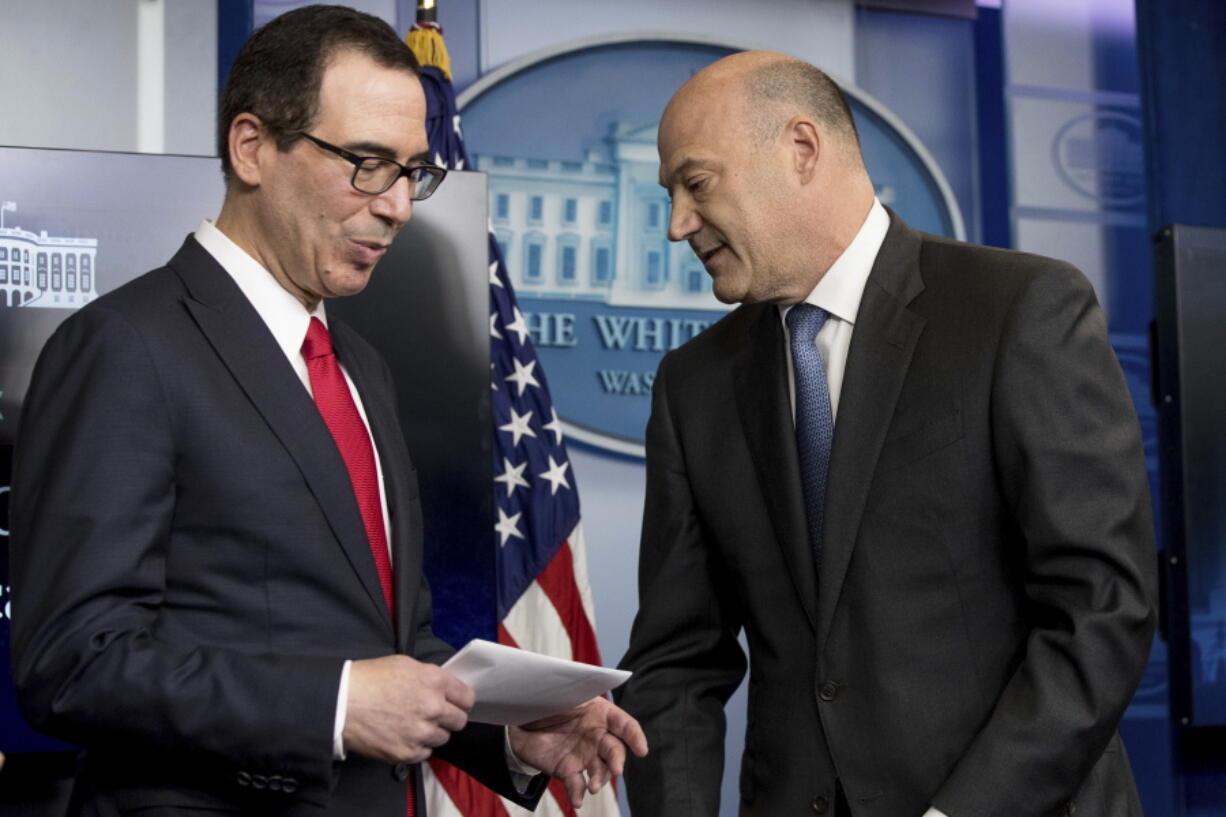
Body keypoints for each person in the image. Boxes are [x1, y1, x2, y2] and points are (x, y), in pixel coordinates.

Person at [9, 6, 644, 815]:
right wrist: (335, 706)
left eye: (413, 171)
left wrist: (504, 732)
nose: (399, 206)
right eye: (367, 162)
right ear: (252, 148)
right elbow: (72, 662)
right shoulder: (124, 346)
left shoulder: (361, 370)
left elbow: (390, 645)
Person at [615, 50, 1155, 817]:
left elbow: (1102, 607)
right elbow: (676, 660)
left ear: (801, 149)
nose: (678, 225)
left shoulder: (1019, 310)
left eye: (696, 185)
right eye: (669, 194)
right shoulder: (692, 385)